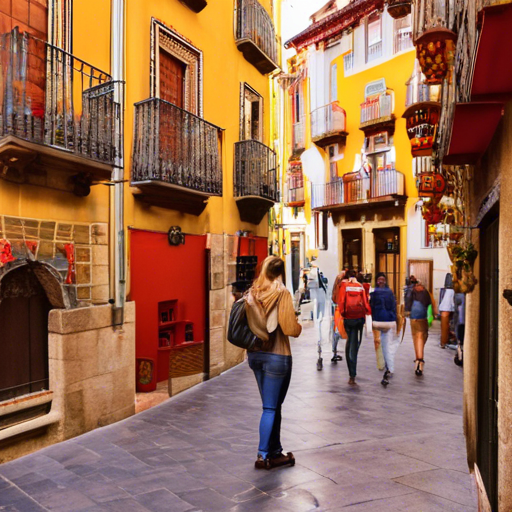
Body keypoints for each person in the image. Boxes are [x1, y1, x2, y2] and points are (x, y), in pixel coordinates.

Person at [246, 256, 302, 470]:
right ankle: (262, 454)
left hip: (255, 355)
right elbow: (289, 328)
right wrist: (298, 327)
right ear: (280, 272)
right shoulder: (281, 292)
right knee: (270, 407)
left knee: (272, 405)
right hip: (277, 356)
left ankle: (275, 451)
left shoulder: (253, 292)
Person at [337, 269, 372, 386]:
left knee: (350, 342)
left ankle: (352, 373)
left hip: (348, 318)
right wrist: (368, 313)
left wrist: (343, 314)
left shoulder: (344, 286)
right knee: (356, 343)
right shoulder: (360, 286)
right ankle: (353, 368)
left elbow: (341, 302)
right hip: (359, 318)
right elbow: (366, 303)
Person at [370, 273, 398, 387]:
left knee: (380, 343)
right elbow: (393, 306)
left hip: (377, 321)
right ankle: (388, 367)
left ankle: (384, 365)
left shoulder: (374, 293)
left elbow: (371, 307)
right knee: (387, 344)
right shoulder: (389, 292)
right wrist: (394, 318)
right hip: (388, 321)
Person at [405, 280, 432, 376]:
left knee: (416, 337)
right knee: (421, 336)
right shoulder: (426, 292)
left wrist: (407, 312)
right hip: (422, 317)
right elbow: (429, 304)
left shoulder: (411, 291)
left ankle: (418, 359)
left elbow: (407, 303)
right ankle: (419, 361)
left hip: (413, 317)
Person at [331, 270, 348, 363]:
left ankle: (334, 352)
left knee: (336, 333)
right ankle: (349, 353)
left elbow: (334, 298)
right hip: (346, 311)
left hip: (338, 310)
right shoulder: (346, 284)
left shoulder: (337, 283)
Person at [438, 273, 455, 348]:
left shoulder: (444, 291)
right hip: (447, 309)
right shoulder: (452, 291)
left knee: (445, 326)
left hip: (444, 309)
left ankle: (444, 342)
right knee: (447, 326)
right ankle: (444, 342)